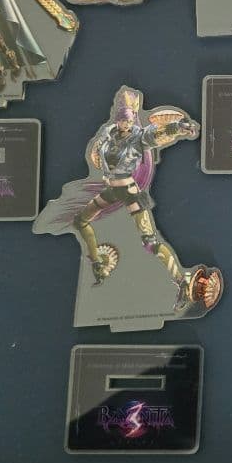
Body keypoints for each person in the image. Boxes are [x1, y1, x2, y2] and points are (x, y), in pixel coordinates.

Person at [71, 88, 201, 308]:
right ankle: (98, 263)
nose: (127, 124)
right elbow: (98, 155)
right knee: (80, 221)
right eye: (124, 120)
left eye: (130, 120)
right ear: (118, 119)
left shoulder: (138, 137)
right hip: (111, 190)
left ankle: (182, 281)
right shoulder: (108, 133)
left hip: (129, 192)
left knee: (150, 242)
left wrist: (178, 127)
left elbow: (156, 134)